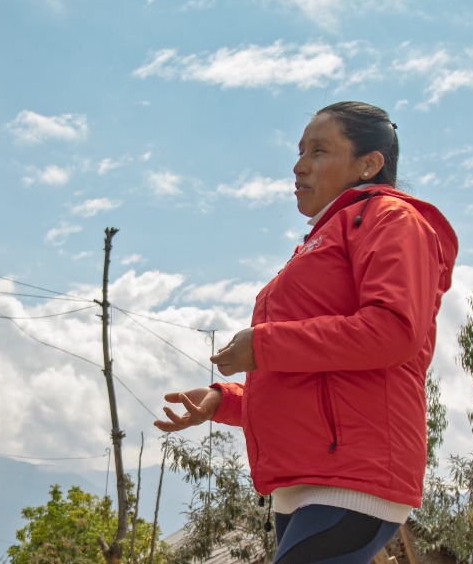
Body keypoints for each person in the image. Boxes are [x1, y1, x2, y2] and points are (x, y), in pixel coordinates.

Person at [155, 101, 457, 564]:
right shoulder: (322, 239)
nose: (299, 166)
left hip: (353, 477)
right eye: (300, 151)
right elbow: (310, 377)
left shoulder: (393, 219)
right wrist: (226, 401)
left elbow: (393, 330)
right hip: (303, 485)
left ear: (369, 164)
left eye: (319, 151)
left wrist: (263, 345)